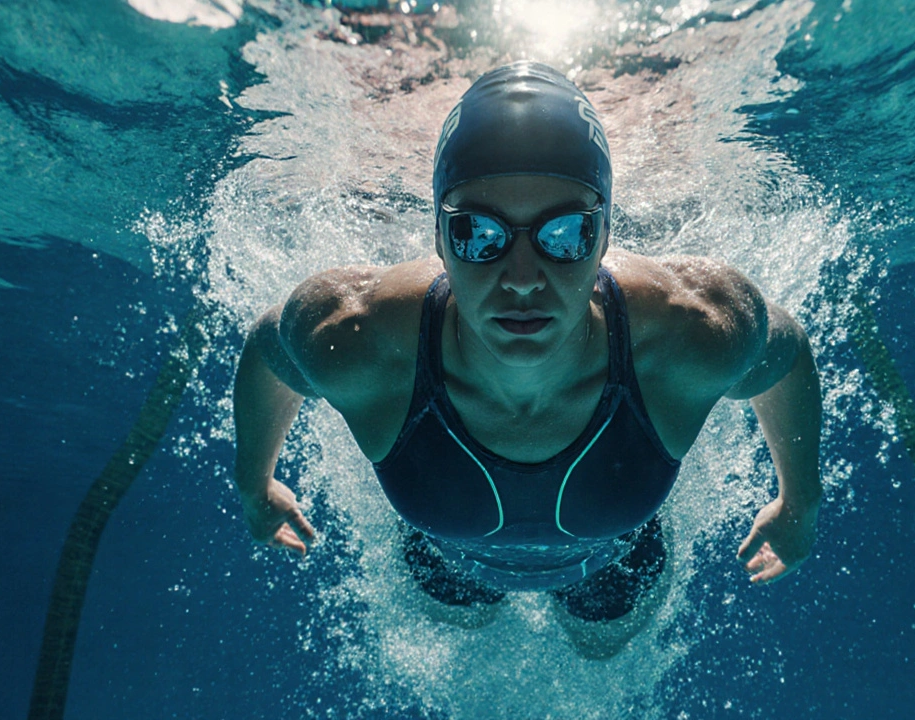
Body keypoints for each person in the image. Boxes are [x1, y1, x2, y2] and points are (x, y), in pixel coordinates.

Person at [233, 61, 821, 656]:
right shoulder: (358, 337)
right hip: (448, 560)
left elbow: (788, 353)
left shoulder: (688, 332)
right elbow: (267, 351)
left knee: (601, 646)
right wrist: (254, 484)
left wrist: (801, 502)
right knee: (461, 629)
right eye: (478, 234)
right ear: (439, 239)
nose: (521, 278)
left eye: (564, 234)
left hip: (614, 562)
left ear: (605, 238)